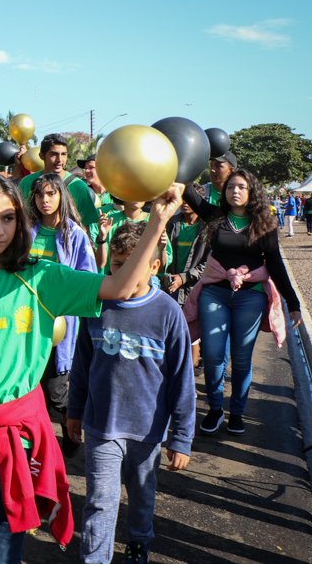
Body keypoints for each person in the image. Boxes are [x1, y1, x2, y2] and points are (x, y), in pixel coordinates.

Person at [0, 173, 185, 564]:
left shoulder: (41, 277)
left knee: (4, 548)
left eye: (8, 218)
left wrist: (158, 221)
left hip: (19, 438)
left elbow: (120, 286)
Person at [67, 222, 195, 564]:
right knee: (100, 499)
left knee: (141, 495)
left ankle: (139, 541)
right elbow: (82, 363)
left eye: (131, 264)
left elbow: (182, 379)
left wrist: (181, 437)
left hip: (147, 431)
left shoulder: (168, 313)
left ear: (154, 266)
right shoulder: (97, 306)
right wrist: (74, 410)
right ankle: (95, 558)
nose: (121, 272)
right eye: (116, 265)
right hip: (100, 425)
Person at [182, 169, 301, 436]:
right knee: (212, 356)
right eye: (230, 187)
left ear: (252, 192)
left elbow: (276, 264)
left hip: (250, 296)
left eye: (241, 187)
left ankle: (236, 413)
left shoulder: (265, 224)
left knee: (242, 358)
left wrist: (293, 302)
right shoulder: (215, 217)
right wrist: (185, 164)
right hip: (214, 293)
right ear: (224, 192)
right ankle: (214, 409)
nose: (235, 191)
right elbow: (189, 192)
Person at [27, 173, 97, 458]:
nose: (45, 200)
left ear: (61, 197)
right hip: (26, 321)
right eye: (40, 195)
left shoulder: (75, 234)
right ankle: (37, 446)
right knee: (34, 388)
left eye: (51, 194)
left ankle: (72, 430)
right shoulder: (24, 231)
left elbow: (88, 278)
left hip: (62, 326)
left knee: (58, 391)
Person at [162, 184, 209, 372]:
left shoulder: (207, 228)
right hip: (169, 286)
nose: (186, 203)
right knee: (170, 333)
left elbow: (208, 264)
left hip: (194, 288)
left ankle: (188, 380)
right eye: (183, 198)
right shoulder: (171, 223)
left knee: (192, 335)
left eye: (191, 199)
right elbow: (162, 254)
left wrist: (184, 278)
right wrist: (167, 276)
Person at [17, 134, 99, 229]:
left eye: (63, 154)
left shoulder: (78, 186)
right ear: (42, 156)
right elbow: (19, 218)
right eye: (53, 154)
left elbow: (85, 228)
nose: (59, 160)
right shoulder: (27, 182)